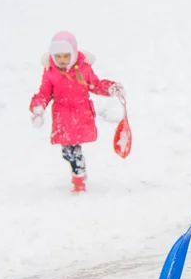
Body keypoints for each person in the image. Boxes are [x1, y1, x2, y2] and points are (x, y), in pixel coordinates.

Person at [29, 31, 124, 193]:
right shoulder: (50, 72)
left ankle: (79, 181)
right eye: (58, 56)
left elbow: (94, 85)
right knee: (67, 151)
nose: (62, 60)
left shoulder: (84, 69)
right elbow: (45, 93)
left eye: (66, 56)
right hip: (62, 116)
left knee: (74, 150)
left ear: (73, 53)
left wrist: (109, 88)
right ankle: (79, 176)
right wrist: (38, 107)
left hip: (81, 113)